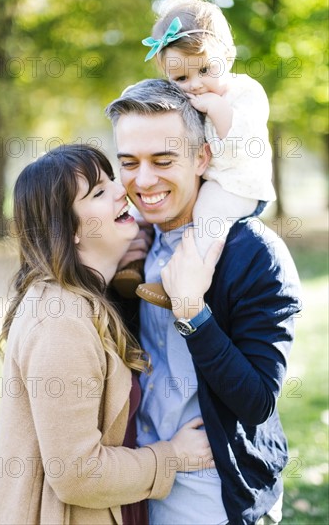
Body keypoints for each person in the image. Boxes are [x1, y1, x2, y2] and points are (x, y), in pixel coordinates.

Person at [0, 144, 214, 525]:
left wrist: (125, 266)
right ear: (70, 229)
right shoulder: (60, 322)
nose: (122, 190)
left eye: (110, 180)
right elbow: (77, 474)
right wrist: (173, 456)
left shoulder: (81, 299)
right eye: (98, 192)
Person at [105, 79, 302, 525]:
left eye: (163, 160)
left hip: (216, 496)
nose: (144, 179)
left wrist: (192, 311)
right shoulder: (134, 242)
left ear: (202, 157)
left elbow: (258, 402)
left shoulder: (254, 254)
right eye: (129, 162)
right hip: (136, 483)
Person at [125, 0, 276, 306]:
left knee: (206, 219)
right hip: (210, 176)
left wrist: (217, 108)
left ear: (228, 56)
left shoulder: (245, 93)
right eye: (180, 77)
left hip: (236, 183)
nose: (194, 84)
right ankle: (130, 266)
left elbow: (239, 148)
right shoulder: (187, 94)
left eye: (205, 70)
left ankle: (187, 286)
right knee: (147, 211)